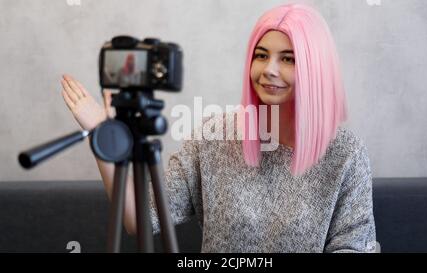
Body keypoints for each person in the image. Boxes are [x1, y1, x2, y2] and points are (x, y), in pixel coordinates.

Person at [60, 3, 376, 253]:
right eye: (261, 55)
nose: (269, 70)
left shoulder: (345, 153)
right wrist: (104, 135)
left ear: (315, 68)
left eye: (289, 59)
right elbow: (138, 220)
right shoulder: (216, 137)